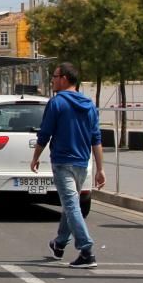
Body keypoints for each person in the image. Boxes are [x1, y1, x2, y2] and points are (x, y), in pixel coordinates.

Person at [31, 62, 106, 268]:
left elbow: (45, 133)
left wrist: (35, 156)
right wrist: (100, 169)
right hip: (82, 162)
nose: (52, 80)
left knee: (71, 205)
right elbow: (96, 139)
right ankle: (60, 243)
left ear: (64, 78)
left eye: (54, 77)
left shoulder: (57, 103)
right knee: (70, 204)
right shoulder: (89, 105)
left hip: (63, 162)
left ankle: (86, 250)